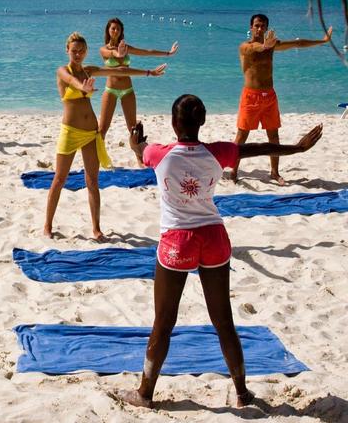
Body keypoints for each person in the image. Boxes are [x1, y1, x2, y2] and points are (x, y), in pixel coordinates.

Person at [120, 95, 322, 409]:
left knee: (163, 323)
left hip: (177, 242)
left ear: (175, 124)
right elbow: (255, 150)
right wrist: (296, 148)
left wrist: (136, 140)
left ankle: (145, 393)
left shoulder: (160, 154)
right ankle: (242, 392)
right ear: (202, 122)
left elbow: (140, 150)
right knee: (223, 321)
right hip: (214, 238)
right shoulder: (217, 152)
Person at [44, 32, 167, 240]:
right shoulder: (62, 71)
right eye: (74, 50)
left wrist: (148, 72)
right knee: (59, 179)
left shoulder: (89, 70)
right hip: (70, 131)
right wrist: (83, 87)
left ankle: (96, 228)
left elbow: (119, 69)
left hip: (91, 132)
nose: (78, 54)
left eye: (82, 51)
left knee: (92, 180)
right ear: (67, 50)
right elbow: (72, 80)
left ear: (86, 52)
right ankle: (47, 226)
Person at [229, 14, 332, 184]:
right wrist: (264, 46)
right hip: (251, 97)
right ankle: (233, 171)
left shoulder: (272, 46)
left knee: (274, 136)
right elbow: (254, 49)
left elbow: (298, 43)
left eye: (263, 26)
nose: (259, 29)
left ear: (267, 28)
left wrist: (323, 41)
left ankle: (274, 172)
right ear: (251, 27)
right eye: (256, 26)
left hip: (269, 96)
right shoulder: (244, 47)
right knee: (241, 136)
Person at [98, 18, 178, 160]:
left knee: (133, 129)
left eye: (118, 29)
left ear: (121, 31)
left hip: (127, 90)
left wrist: (168, 53)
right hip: (110, 90)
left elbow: (147, 51)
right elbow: (114, 54)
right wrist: (119, 54)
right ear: (108, 31)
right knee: (102, 129)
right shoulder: (104, 49)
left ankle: (139, 159)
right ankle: (96, 159)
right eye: (113, 28)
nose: (115, 31)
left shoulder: (127, 47)